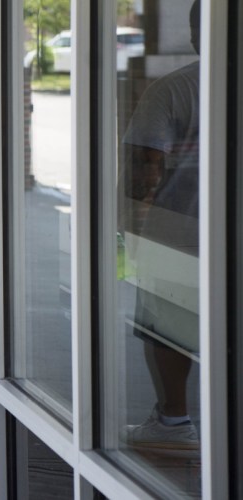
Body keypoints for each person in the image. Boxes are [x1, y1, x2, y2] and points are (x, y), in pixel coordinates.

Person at [121, 0, 200, 450]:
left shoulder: (173, 90)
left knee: (168, 328)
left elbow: (142, 172)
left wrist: (124, 239)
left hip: (180, 235)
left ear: (195, 33)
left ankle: (173, 422)